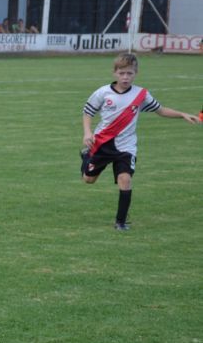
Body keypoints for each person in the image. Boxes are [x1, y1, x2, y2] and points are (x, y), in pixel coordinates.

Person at [81, 53, 200, 230]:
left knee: (125, 179)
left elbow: (160, 110)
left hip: (126, 147)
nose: (125, 77)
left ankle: (120, 222)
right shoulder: (102, 92)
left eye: (129, 73)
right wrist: (87, 132)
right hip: (102, 144)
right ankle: (86, 158)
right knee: (88, 180)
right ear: (115, 73)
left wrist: (182, 114)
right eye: (122, 73)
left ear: (135, 73)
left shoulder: (141, 94)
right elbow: (88, 112)